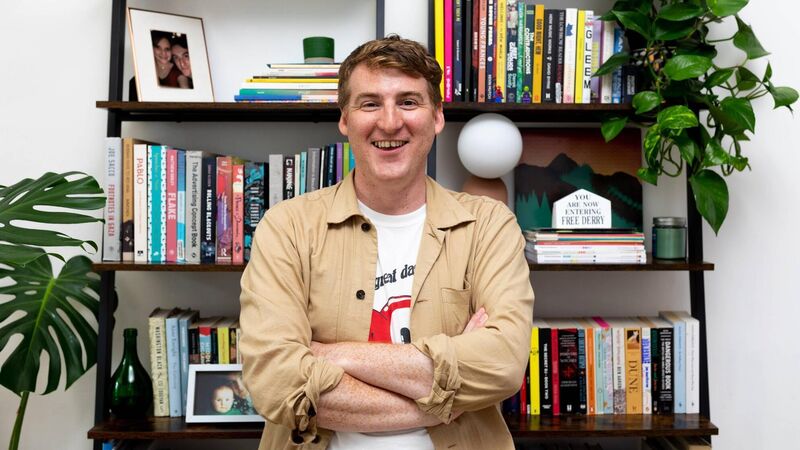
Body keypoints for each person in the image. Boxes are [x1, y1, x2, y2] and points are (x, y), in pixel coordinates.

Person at [240, 35, 534, 450]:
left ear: (437, 117)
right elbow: (274, 381)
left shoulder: (488, 225)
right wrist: (449, 397)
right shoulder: (287, 227)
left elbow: (502, 364)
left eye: (409, 102)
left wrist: (332, 354)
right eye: (370, 104)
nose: (390, 122)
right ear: (345, 119)